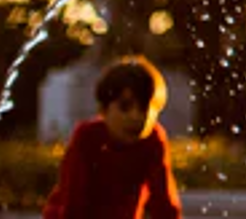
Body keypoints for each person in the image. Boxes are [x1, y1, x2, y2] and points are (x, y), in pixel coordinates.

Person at [43, 59, 182, 219]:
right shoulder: (88, 137)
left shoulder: (152, 141)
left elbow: (164, 203)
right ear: (103, 110)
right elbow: (74, 203)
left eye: (144, 108)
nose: (135, 116)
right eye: (125, 106)